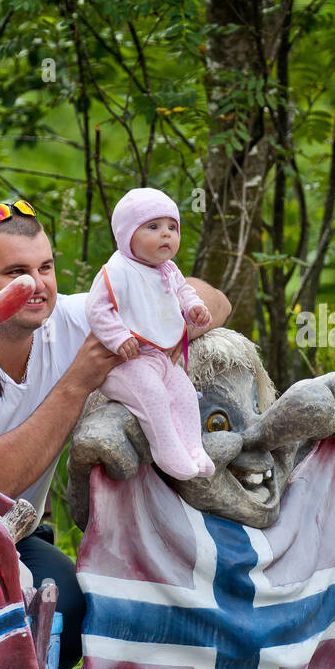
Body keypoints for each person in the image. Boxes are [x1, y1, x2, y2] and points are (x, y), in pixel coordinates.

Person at [0, 198, 231, 669]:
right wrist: (78, 381)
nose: (37, 285)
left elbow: (219, 304)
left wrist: (160, 290)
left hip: (9, 538)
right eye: (15, 272)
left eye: (46, 267)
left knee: (73, 609)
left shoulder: (73, 318)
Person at [85, 188, 214, 480]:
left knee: (182, 392)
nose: (166, 235)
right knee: (153, 395)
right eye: (153, 227)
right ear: (127, 234)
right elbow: (97, 309)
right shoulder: (118, 270)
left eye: (172, 227)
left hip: (160, 358)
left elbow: (183, 292)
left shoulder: (168, 269)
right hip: (126, 363)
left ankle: (193, 448)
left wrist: (194, 307)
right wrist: (118, 337)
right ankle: (167, 450)